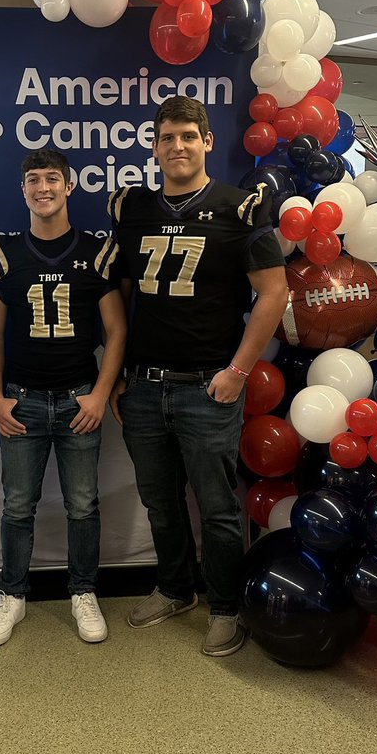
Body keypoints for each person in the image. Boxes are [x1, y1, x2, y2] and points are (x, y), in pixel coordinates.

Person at [109, 96, 288, 657]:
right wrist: (117, 376)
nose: (177, 147)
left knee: (216, 506)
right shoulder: (132, 207)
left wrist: (238, 370)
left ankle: (226, 607)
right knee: (159, 500)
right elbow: (122, 291)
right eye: (167, 138)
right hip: (142, 384)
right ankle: (175, 588)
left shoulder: (241, 209)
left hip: (209, 384)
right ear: (155, 146)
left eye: (188, 136)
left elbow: (274, 292)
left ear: (208, 142)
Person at [0, 148, 126, 647]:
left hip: (77, 399)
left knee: (82, 505)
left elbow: (116, 328)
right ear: (22, 189)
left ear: (69, 186)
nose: (42, 187)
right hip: (20, 399)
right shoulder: (4, 251)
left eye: (52, 179)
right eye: (33, 179)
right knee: (16, 505)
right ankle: (11, 593)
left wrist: (100, 394)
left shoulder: (98, 250)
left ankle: (83, 591)